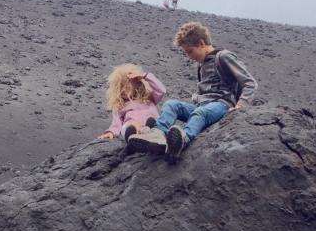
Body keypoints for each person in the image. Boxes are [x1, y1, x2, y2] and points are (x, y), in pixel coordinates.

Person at [148, 21, 257, 161]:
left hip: (221, 105)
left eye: (190, 51)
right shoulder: (202, 65)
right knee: (171, 104)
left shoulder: (223, 56)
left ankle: (182, 140)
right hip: (202, 107)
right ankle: (157, 135)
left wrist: (241, 105)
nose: (189, 56)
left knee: (199, 113)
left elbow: (249, 82)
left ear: (201, 43)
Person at [100, 65, 167, 153]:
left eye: (126, 87)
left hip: (152, 127)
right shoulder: (120, 106)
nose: (123, 90)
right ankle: (134, 138)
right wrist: (111, 132)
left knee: (153, 121)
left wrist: (144, 76)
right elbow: (116, 123)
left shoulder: (148, 98)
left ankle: (152, 134)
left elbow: (161, 90)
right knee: (133, 124)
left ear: (136, 84)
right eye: (120, 88)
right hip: (131, 128)